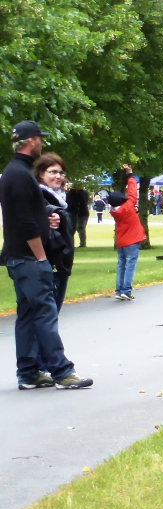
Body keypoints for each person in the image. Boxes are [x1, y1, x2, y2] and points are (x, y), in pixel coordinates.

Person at [1, 121, 91, 389]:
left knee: (28, 314)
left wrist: (48, 218)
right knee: (45, 313)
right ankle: (62, 371)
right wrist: (41, 257)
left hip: (19, 257)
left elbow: (30, 212)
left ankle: (28, 373)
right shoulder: (20, 174)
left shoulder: (16, 172)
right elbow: (25, 220)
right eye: (40, 139)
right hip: (29, 259)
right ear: (31, 141)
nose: (42, 143)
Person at [34, 154, 75, 310]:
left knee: (52, 313)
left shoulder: (59, 198)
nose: (58, 176)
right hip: (51, 262)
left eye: (61, 172)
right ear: (41, 174)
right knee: (47, 314)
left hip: (61, 262)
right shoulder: (39, 196)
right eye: (53, 172)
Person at [109, 164, 145, 301]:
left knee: (121, 266)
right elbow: (132, 191)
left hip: (122, 241)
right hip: (133, 240)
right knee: (130, 265)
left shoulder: (115, 211)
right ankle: (126, 290)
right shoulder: (128, 206)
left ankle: (119, 290)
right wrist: (130, 174)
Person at [67, 182, 89, 249]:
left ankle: (80, 243)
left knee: (79, 227)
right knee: (80, 228)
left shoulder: (74, 194)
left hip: (79, 212)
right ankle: (82, 243)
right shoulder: (84, 193)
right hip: (83, 212)